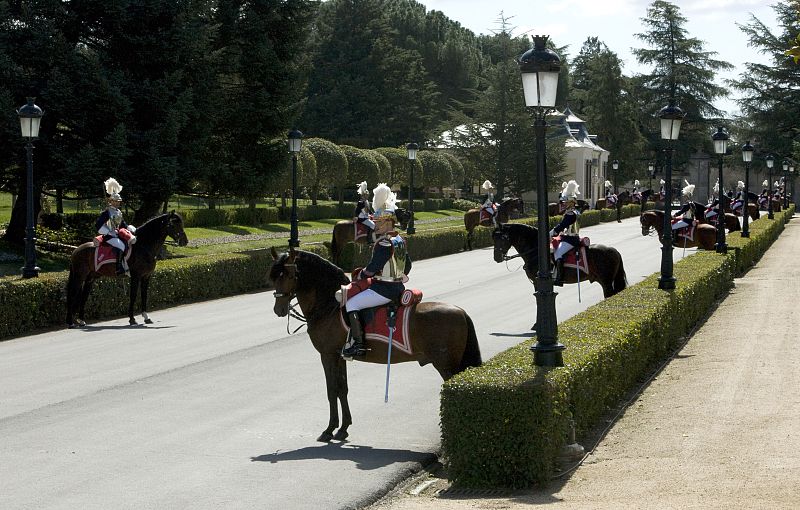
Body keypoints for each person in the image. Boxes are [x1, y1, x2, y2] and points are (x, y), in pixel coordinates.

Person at [342, 183, 412, 360]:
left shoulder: (384, 242)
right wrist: (397, 275)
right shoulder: (399, 239)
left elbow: (372, 268)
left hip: (383, 290)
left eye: (379, 222)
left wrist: (361, 274)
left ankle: (358, 345)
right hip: (399, 288)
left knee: (351, 304)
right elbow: (408, 266)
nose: (375, 225)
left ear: (388, 222)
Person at [95, 177, 137, 275]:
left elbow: (122, 224)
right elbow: (98, 224)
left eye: (118, 201)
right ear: (111, 201)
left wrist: (128, 227)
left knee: (127, 243)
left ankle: (127, 264)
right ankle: (119, 267)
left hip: (117, 234)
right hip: (109, 236)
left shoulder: (118, 212)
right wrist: (107, 231)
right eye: (115, 201)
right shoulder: (107, 212)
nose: (117, 203)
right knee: (121, 245)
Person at [549, 180, 581, 286]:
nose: (564, 203)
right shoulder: (573, 211)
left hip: (571, 239)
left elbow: (562, 225)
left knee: (558, 253)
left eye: (566, 202)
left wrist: (552, 232)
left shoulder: (571, 213)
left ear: (571, 202)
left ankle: (559, 278)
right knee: (552, 248)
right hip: (567, 237)